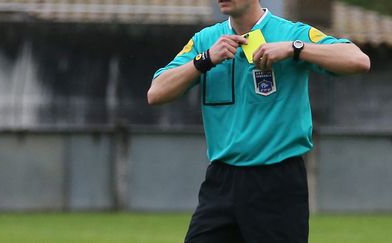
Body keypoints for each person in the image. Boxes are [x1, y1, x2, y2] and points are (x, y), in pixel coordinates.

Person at [147, 0, 370, 242]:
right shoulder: (206, 40)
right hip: (221, 182)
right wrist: (206, 60)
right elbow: (156, 92)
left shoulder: (290, 33)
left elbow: (359, 61)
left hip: (277, 182)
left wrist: (295, 49)